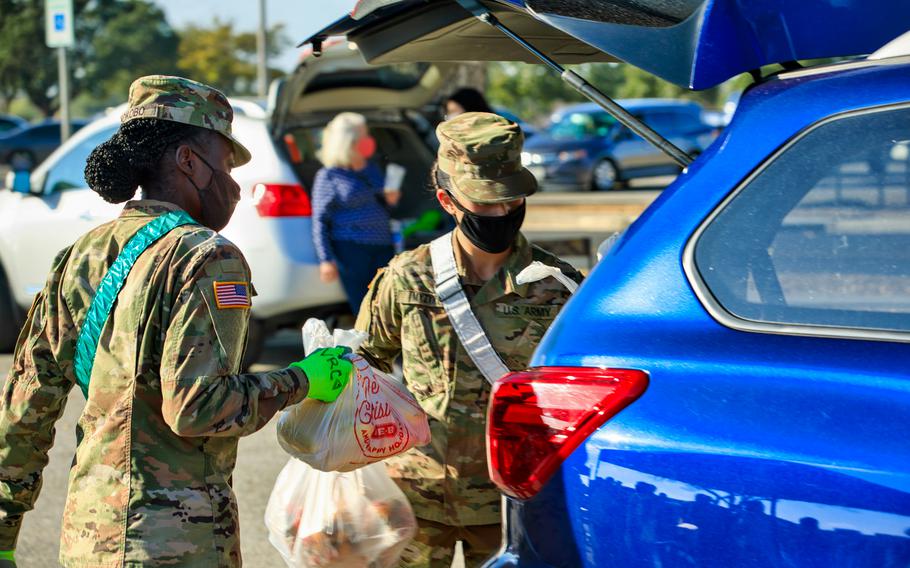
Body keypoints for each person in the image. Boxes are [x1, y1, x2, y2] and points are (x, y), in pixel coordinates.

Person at [0, 76, 353, 568]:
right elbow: (198, 408)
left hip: (89, 537)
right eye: (226, 165)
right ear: (189, 161)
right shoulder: (208, 258)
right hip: (175, 542)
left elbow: (27, 401)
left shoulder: (83, 252)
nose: (233, 185)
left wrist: (3, 532)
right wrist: (303, 379)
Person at [355, 112, 584, 567]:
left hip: (510, 504)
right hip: (416, 499)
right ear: (447, 200)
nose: (502, 213)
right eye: (485, 203)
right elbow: (364, 363)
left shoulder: (557, 284)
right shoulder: (408, 277)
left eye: (512, 199)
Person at [312, 112, 401, 313]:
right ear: (349, 141)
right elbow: (320, 220)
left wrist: (390, 200)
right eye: (364, 135)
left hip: (383, 245)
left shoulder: (371, 168)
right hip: (351, 249)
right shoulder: (329, 175)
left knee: (387, 305)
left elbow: (384, 206)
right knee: (364, 308)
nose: (368, 140)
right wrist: (326, 260)